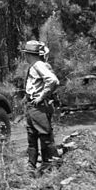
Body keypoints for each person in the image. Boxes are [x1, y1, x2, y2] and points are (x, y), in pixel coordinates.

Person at [21, 40, 61, 174]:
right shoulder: (36, 65)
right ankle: (32, 166)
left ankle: (50, 166)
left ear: (30, 54)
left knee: (44, 136)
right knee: (32, 136)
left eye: (26, 54)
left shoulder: (38, 64)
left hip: (38, 106)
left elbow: (53, 80)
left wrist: (41, 96)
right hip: (33, 106)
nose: (25, 56)